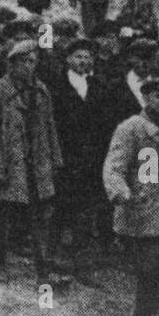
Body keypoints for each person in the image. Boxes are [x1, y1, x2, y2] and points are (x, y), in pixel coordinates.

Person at [0, 39, 67, 288]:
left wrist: (55, 159)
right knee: (0, 214)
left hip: (35, 163)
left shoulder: (41, 91)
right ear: (12, 64)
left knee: (40, 217)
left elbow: (50, 127)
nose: (30, 67)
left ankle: (43, 271)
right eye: (25, 61)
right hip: (7, 162)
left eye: (33, 62)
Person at [103, 76, 159, 316]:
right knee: (151, 262)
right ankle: (143, 315)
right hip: (142, 203)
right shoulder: (130, 127)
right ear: (146, 98)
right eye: (157, 96)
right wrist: (120, 192)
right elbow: (114, 165)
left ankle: (151, 313)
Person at [47, 38, 116, 277]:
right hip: (65, 156)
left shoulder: (99, 86)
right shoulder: (56, 86)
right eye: (78, 56)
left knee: (86, 210)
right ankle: (54, 257)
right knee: (61, 207)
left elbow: (107, 123)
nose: (83, 61)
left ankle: (82, 261)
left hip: (92, 158)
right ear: (68, 59)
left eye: (88, 57)